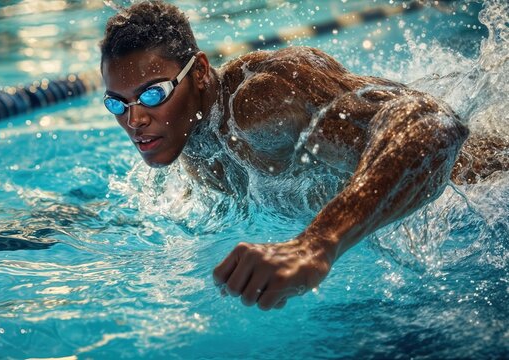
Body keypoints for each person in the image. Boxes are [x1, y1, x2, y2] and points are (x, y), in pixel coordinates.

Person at [99, 0, 507, 310]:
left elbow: (435, 125)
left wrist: (316, 244)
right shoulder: (189, 136)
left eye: (153, 94)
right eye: (116, 104)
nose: (134, 119)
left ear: (201, 71)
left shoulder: (260, 104)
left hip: (485, 183)